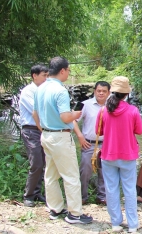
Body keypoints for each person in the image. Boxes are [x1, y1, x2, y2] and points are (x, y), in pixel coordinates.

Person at [32, 56, 92, 224]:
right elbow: (65, 116)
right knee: (71, 175)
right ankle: (75, 214)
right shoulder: (60, 90)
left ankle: (55, 208)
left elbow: (35, 114)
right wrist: (77, 114)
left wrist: (43, 129)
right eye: (69, 70)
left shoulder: (40, 88)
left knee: (50, 174)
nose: (68, 73)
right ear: (63, 70)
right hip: (60, 136)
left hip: (46, 135)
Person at [96, 76, 142, 233]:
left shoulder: (103, 110)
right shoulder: (133, 110)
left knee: (111, 189)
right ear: (126, 94)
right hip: (128, 155)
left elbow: (98, 131)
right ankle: (133, 225)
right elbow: (139, 131)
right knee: (130, 190)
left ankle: (115, 223)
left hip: (108, 155)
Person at [73, 81, 110, 205]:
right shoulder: (85, 104)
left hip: (106, 143)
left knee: (105, 171)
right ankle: (82, 196)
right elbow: (72, 120)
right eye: (99, 90)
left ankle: (102, 196)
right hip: (88, 143)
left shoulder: (112, 106)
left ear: (109, 93)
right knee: (85, 170)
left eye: (104, 91)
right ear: (94, 91)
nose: (101, 93)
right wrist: (80, 136)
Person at [19, 64, 49, 207]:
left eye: (47, 75)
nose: (46, 78)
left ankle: (37, 192)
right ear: (34, 76)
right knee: (36, 162)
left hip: (43, 129)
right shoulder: (28, 91)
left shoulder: (44, 90)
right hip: (31, 130)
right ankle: (29, 195)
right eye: (44, 75)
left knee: (43, 162)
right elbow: (36, 111)